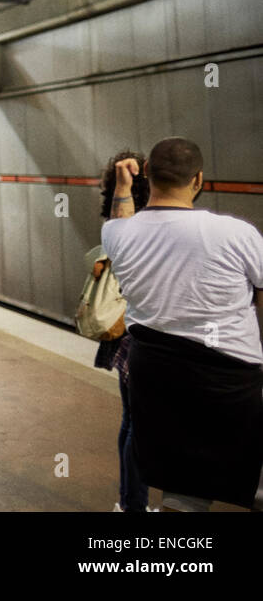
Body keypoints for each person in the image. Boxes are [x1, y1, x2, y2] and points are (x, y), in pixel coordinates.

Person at [102, 137, 263, 511]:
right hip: (230, 379)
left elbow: (120, 219)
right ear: (199, 179)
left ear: (148, 175)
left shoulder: (118, 235)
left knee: (184, 486)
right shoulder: (236, 234)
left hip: (157, 378)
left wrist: (123, 188)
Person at [92, 150, 152, 513]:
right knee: (138, 423)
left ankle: (131, 503)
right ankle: (133, 505)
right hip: (137, 332)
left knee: (131, 419)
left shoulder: (115, 224)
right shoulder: (140, 224)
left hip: (125, 334)